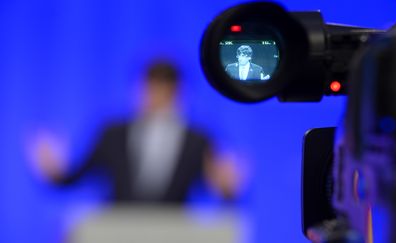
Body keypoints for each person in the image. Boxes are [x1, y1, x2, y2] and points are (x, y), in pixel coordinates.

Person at [30, 59, 239, 203]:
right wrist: (54, 172)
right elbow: (78, 176)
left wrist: (228, 188)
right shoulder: (112, 133)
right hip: (116, 231)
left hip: (175, 233)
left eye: (164, 89)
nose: (155, 96)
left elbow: (218, 188)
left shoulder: (199, 139)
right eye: (151, 88)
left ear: (178, 92)